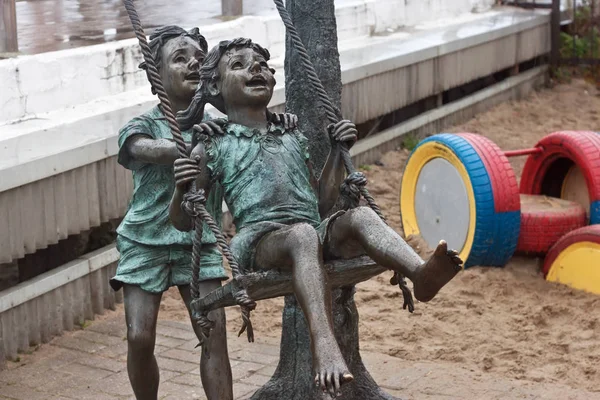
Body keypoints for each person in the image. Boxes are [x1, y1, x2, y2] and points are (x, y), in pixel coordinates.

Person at [169, 37, 463, 398]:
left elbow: (321, 202)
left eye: (261, 63)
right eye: (240, 65)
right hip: (260, 240)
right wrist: (181, 188)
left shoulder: (291, 135)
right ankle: (324, 346)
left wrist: (338, 154)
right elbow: (183, 223)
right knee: (302, 236)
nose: (255, 69)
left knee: (357, 216)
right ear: (214, 86)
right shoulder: (214, 142)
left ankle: (420, 275)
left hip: (309, 228)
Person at [110, 26, 297, 400]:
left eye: (198, 58)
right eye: (179, 58)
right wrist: (196, 142)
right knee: (139, 336)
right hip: (144, 242)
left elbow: (253, 132)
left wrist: (278, 123)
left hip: (199, 239)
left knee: (213, 334)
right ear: (156, 77)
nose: (192, 63)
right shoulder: (143, 125)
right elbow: (144, 149)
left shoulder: (221, 126)